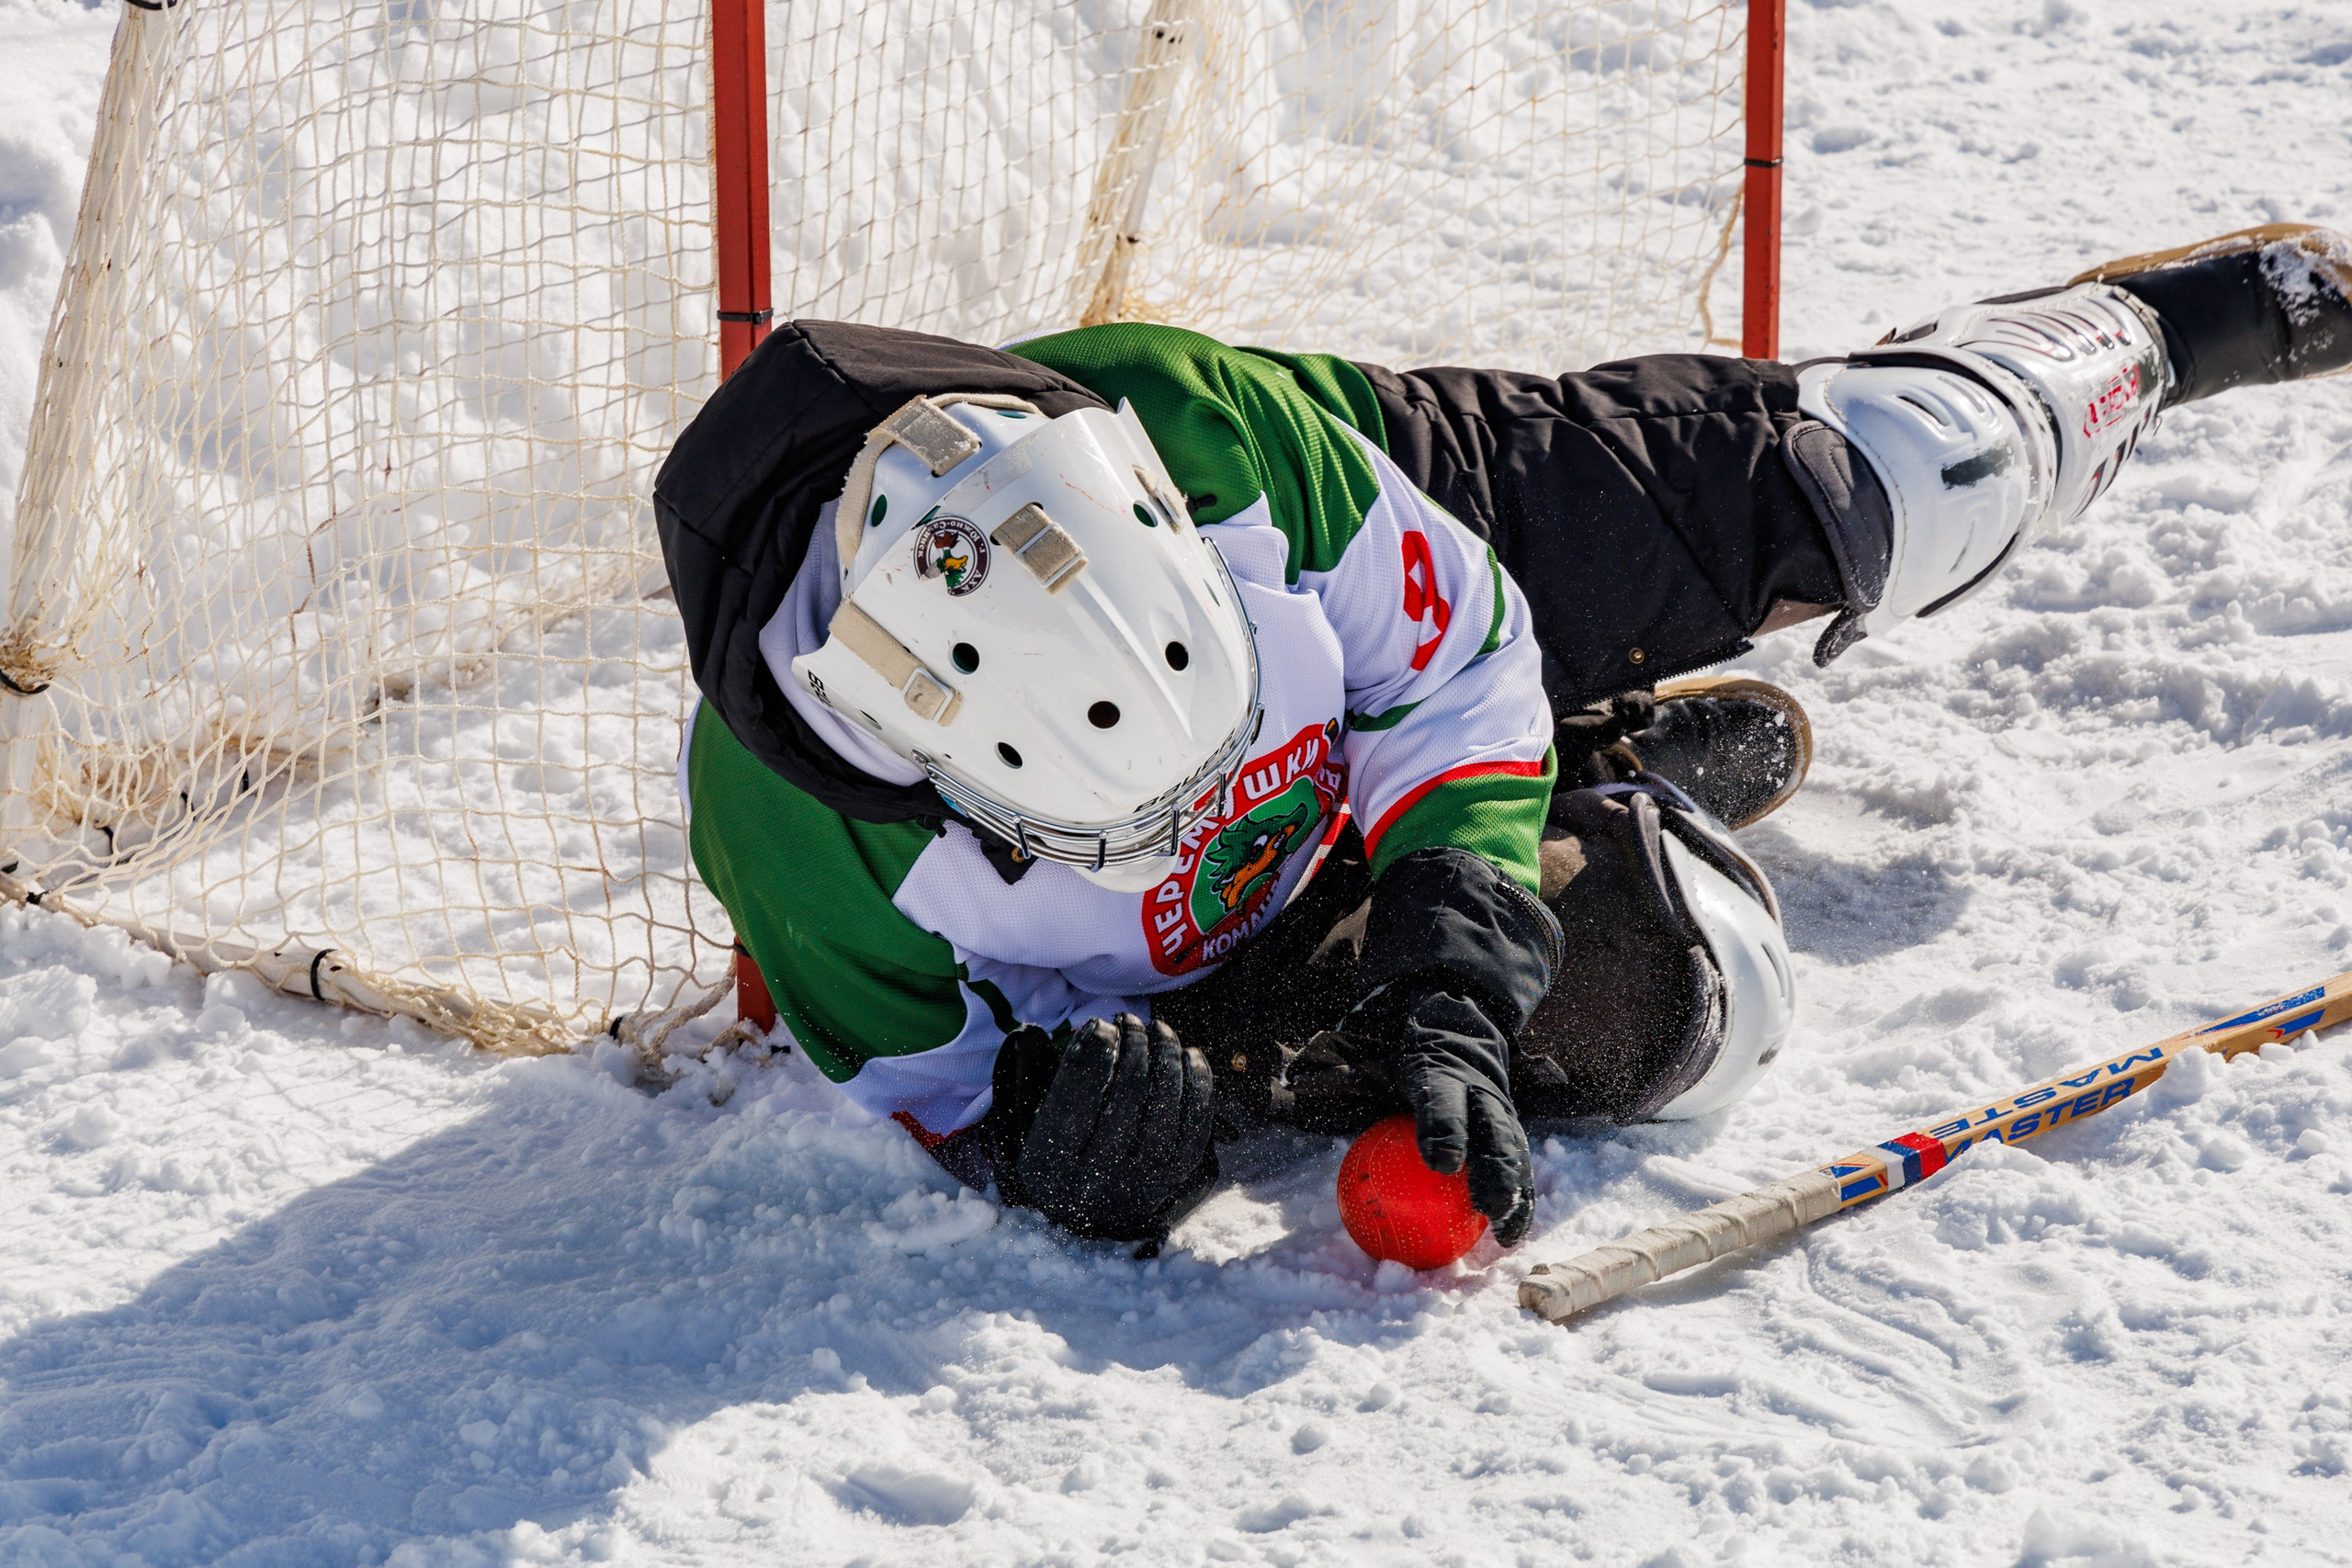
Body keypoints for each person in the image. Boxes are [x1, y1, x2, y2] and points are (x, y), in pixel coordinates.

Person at [654, 224, 2352, 1249]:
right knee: (1669, 1000)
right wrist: (1049, 1134)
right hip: (1215, 966)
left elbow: (1450, 664)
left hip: (1416, 503)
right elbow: (936, 1081)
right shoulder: (797, 832)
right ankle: (1599, 773)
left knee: (1895, 481)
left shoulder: (1212, 438)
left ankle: (2146, 337)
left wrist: (1453, 967)